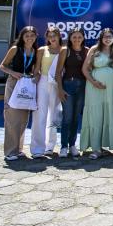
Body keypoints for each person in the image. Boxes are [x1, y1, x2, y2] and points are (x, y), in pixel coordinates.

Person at [79, 28, 113, 160]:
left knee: (108, 113)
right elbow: (85, 69)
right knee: (96, 114)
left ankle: (104, 145)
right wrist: (94, 82)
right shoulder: (94, 49)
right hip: (94, 87)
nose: (107, 39)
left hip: (112, 88)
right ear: (101, 38)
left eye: (110, 36)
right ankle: (95, 148)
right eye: (105, 37)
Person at [0, 26, 40, 161]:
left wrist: (36, 76)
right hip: (14, 83)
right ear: (22, 37)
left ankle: (18, 149)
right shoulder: (15, 49)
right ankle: (10, 151)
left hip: (27, 84)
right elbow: (2, 66)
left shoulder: (35, 51)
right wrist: (13, 73)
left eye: (32, 35)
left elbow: (34, 69)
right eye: (26, 35)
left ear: (35, 37)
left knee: (23, 119)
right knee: (12, 117)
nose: (29, 38)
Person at [32, 27, 66, 158]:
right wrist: (33, 82)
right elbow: (37, 69)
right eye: (50, 36)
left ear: (59, 36)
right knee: (39, 115)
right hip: (43, 82)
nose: (52, 38)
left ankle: (50, 146)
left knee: (53, 115)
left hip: (57, 83)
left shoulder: (63, 50)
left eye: (55, 35)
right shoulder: (41, 50)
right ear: (46, 37)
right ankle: (37, 148)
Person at [59, 29, 87, 159]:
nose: (77, 39)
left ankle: (72, 145)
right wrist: (60, 89)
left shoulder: (87, 50)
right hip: (68, 86)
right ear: (70, 38)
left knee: (76, 118)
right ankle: (63, 146)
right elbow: (58, 72)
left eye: (79, 37)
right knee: (67, 118)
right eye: (74, 37)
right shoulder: (65, 50)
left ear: (83, 38)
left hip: (82, 87)